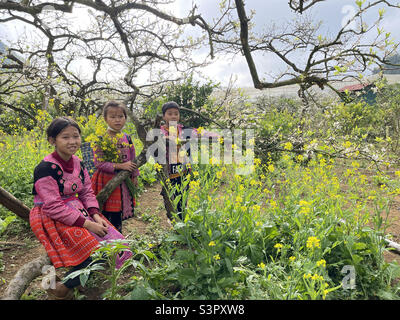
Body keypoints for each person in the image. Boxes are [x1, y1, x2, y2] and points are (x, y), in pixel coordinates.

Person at [29, 116, 132, 300]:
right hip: (50, 215)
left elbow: (86, 192)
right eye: (65, 137)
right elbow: (53, 207)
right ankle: (60, 288)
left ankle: (73, 281)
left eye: (75, 136)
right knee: (92, 248)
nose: (72, 141)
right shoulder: (45, 168)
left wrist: (95, 215)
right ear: (52, 141)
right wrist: (88, 224)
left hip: (77, 210)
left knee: (112, 242)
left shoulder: (78, 162)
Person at [159, 101, 219, 220]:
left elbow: (200, 132)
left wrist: (216, 135)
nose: (173, 116)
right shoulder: (159, 131)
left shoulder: (185, 130)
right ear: (163, 116)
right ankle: (173, 222)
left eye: (176, 114)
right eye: (170, 114)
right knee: (169, 198)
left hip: (183, 171)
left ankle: (181, 223)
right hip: (167, 171)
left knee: (182, 198)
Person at [91, 101, 139, 233]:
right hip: (106, 181)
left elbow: (133, 159)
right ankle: (108, 243)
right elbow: (98, 163)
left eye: (120, 116)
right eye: (112, 117)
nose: (117, 120)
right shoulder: (101, 138)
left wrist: (135, 176)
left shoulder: (127, 138)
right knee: (106, 214)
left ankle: (118, 242)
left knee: (118, 214)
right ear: (105, 119)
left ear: (125, 118)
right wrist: (120, 165)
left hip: (123, 182)